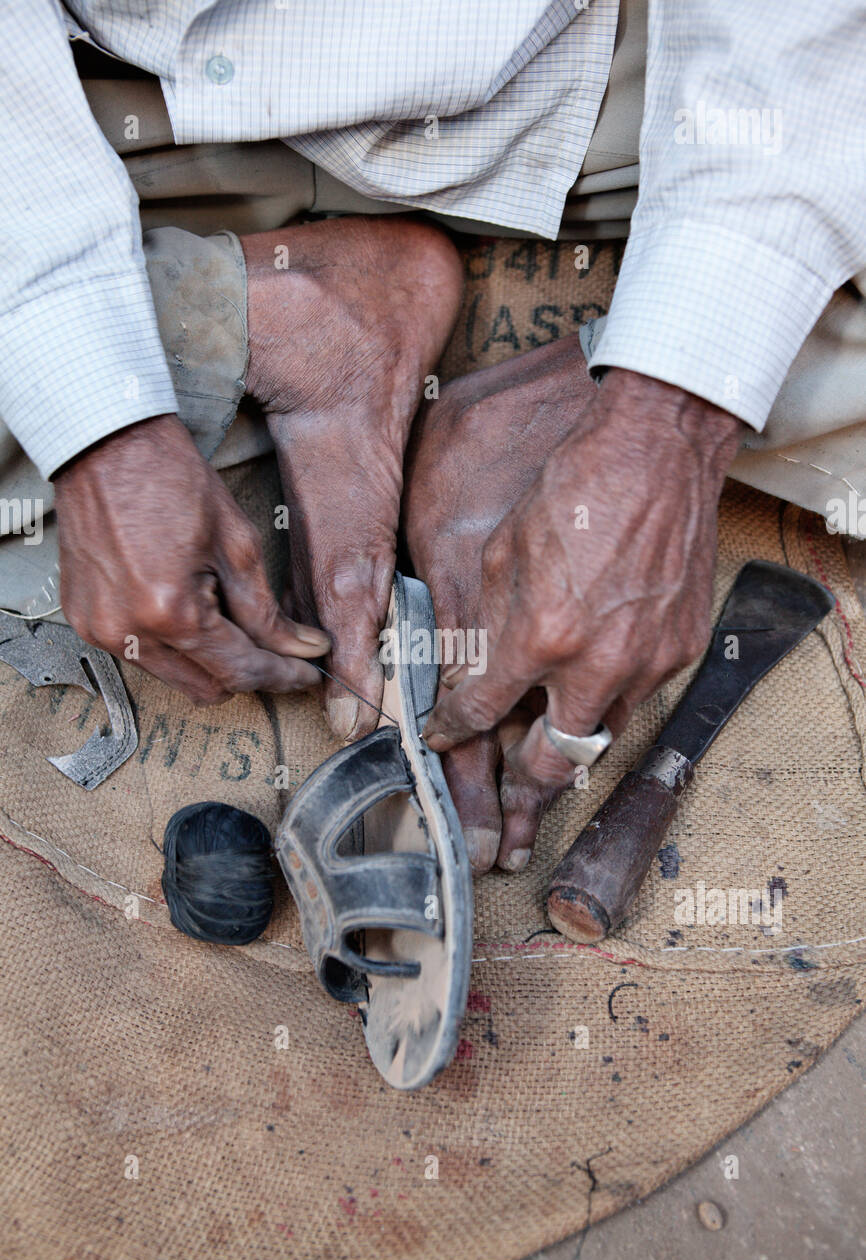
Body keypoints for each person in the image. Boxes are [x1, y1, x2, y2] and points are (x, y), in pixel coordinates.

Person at [2, 0, 866, 872]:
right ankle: (286, 313)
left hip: (620, 74)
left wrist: (664, 422)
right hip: (125, 104)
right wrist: (98, 424)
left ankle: (535, 408)